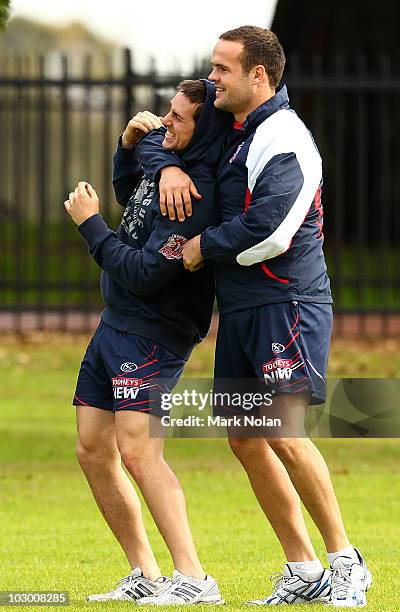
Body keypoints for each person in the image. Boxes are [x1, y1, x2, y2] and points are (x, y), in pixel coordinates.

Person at [139, 27, 372, 608]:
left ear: (258, 75)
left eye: (221, 68)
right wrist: (165, 167)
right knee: (245, 437)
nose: (210, 77)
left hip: (285, 304)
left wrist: (201, 246)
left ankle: (347, 562)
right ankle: (303, 569)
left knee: (284, 433)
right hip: (243, 308)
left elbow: (272, 229)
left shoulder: (286, 137)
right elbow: (163, 137)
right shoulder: (234, 128)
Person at [64, 79, 230, 605]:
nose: (165, 124)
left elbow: (142, 274)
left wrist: (90, 227)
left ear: (203, 133)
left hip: (155, 331)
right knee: (93, 449)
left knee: (139, 452)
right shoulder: (167, 163)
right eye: (167, 113)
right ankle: (146, 574)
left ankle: (195, 579)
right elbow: (128, 196)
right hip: (115, 323)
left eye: (178, 119)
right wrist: (129, 145)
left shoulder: (193, 195)